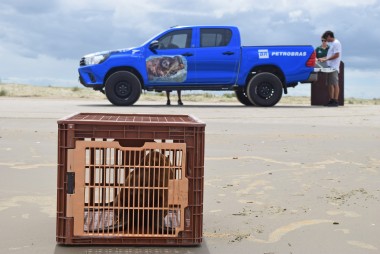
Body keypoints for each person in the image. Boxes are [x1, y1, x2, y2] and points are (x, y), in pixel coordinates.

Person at [319, 30, 342, 107]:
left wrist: (326, 59)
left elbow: (337, 55)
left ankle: (335, 101)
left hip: (334, 67)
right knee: (330, 84)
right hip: (329, 67)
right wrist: (322, 58)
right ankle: (331, 99)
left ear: (329, 36)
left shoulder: (336, 43)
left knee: (335, 84)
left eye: (326, 38)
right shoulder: (332, 44)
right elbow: (330, 55)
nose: (326, 41)